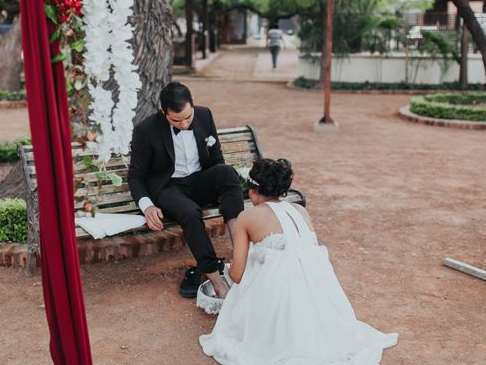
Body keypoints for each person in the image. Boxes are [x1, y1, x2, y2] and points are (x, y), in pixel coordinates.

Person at [200, 158, 398, 364]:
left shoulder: (247, 217)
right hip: (318, 293)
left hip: (277, 295)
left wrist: (236, 265)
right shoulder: (301, 211)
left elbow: (237, 275)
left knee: (252, 272)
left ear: (251, 191)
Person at [128, 82, 243, 299]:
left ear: (192, 105)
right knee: (190, 212)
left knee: (227, 173)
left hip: (199, 181)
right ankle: (215, 280)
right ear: (164, 113)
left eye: (188, 118)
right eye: (176, 120)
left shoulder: (204, 115)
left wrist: (221, 185)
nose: (183, 124)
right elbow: (135, 176)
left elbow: (216, 158)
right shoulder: (145, 130)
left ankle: (239, 250)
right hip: (168, 188)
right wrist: (147, 205)